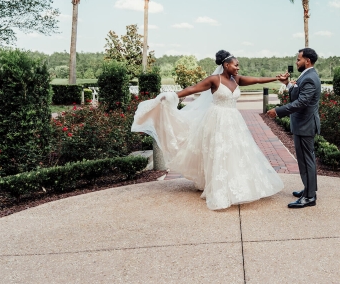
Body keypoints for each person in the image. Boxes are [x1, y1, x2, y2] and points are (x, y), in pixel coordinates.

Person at [132, 50, 288, 210]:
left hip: (234, 120)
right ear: (226, 65)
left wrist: (276, 78)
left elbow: (257, 80)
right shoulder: (215, 79)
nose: (238, 68)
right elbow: (193, 89)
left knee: (236, 151)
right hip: (217, 119)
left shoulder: (237, 79)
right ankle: (218, 187)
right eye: (236, 65)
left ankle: (236, 183)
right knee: (219, 151)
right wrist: (172, 96)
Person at [267, 48, 321, 208]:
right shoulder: (307, 75)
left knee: (307, 160)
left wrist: (278, 111)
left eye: (299, 60)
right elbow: (298, 93)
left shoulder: (310, 78)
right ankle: (308, 189)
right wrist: (287, 84)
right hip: (302, 125)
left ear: (307, 61)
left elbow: (301, 102)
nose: (296, 62)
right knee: (304, 161)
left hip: (306, 125)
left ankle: (310, 197)